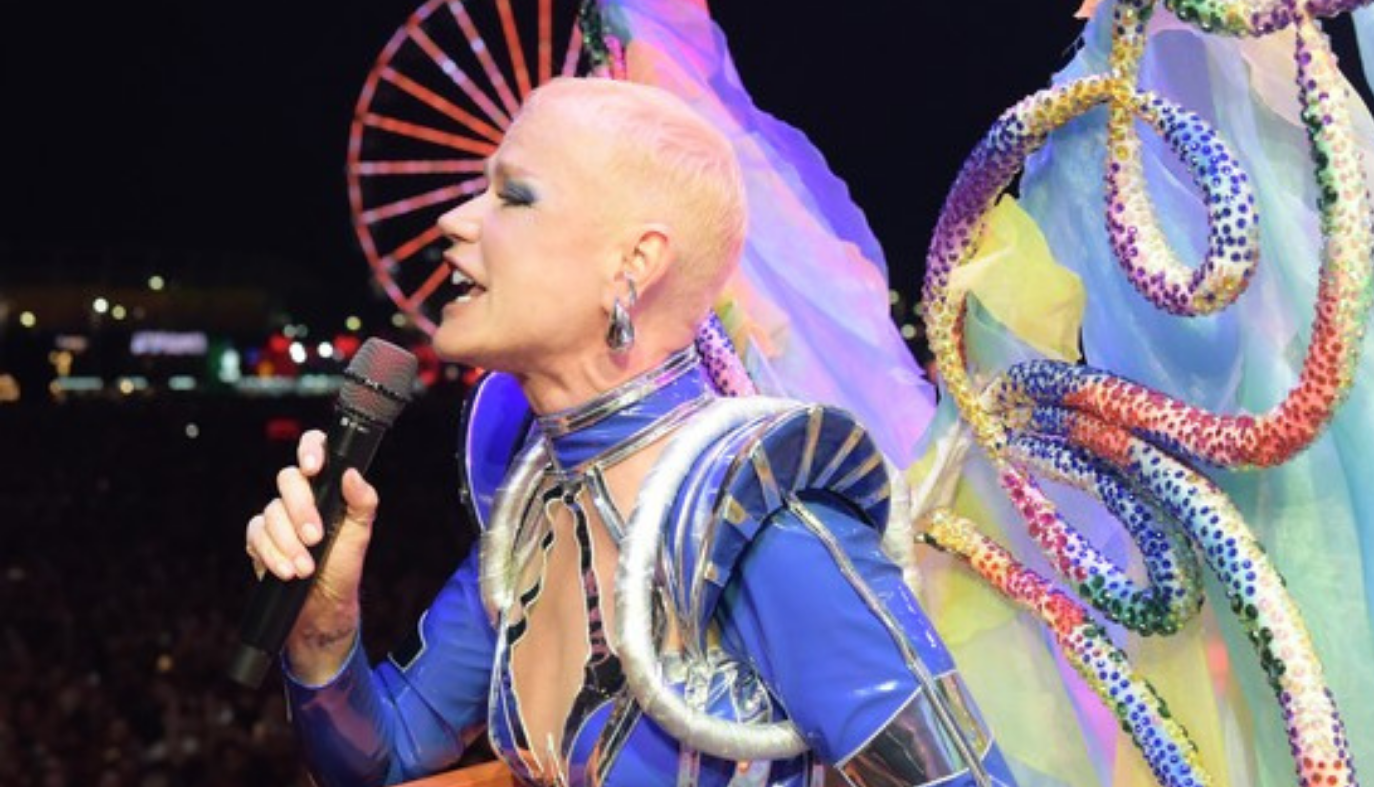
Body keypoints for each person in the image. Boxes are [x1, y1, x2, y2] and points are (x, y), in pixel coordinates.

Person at [244, 77, 1015, 786]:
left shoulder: (763, 527)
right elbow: (382, 759)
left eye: (513, 196)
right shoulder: (530, 519)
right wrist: (322, 628)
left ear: (634, 264)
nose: (457, 219)